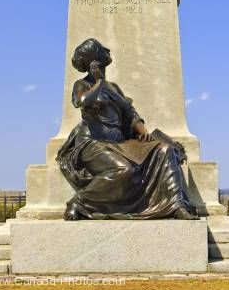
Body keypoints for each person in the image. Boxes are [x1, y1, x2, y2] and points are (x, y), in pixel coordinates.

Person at [56, 38, 197, 220]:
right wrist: (99, 82)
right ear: (94, 62)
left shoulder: (114, 87)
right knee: (125, 170)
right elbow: (81, 102)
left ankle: (177, 205)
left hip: (120, 143)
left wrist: (141, 130)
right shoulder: (82, 85)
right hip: (92, 143)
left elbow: (128, 111)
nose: (107, 51)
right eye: (101, 49)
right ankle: (78, 202)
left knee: (165, 149)